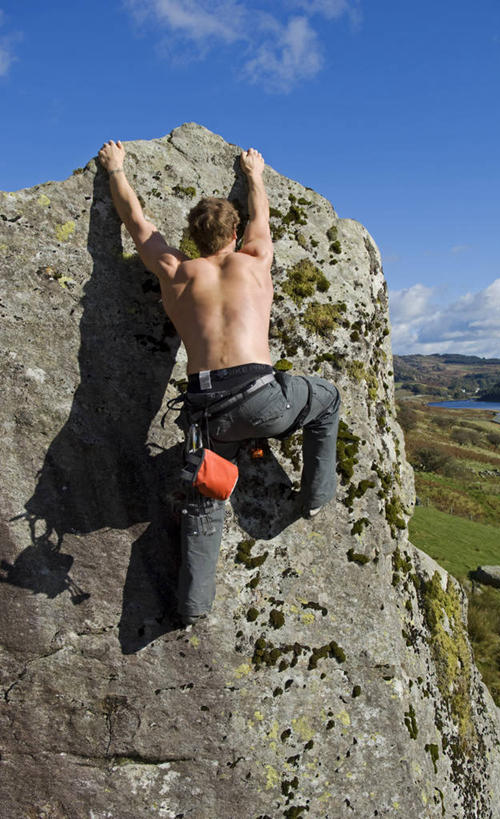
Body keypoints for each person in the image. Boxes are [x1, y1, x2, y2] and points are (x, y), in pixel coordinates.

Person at [98, 139, 340, 625]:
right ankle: (315, 498)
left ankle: (192, 609)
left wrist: (116, 170)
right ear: (234, 233)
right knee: (328, 400)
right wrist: (254, 175)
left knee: (207, 500)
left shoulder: (177, 272)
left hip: (211, 416)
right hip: (265, 400)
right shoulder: (255, 261)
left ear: (191, 237)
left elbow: (137, 224)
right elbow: (262, 220)